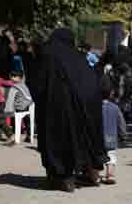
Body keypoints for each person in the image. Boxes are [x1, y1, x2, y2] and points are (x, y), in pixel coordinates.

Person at [33, 28, 108, 192]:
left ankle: (63, 177)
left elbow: (40, 83)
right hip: (86, 105)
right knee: (84, 137)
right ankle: (90, 173)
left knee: (58, 140)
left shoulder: (48, 54)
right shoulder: (78, 57)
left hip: (57, 107)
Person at [101, 80, 127, 185]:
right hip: (110, 137)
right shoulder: (115, 108)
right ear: (111, 93)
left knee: (95, 156)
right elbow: (121, 123)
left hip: (97, 137)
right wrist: (123, 135)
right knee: (111, 156)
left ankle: (94, 176)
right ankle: (110, 175)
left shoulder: (94, 107)